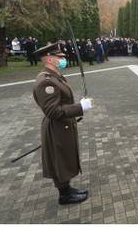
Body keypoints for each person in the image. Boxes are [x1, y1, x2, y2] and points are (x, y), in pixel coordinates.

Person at [32, 43, 94, 205]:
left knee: (65, 157)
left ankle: (67, 189)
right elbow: (52, 111)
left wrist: (78, 106)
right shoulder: (46, 81)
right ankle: (64, 195)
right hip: (57, 128)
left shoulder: (55, 76)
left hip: (64, 127)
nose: (63, 59)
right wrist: (80, 107)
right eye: (60, 57)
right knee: (59, 160)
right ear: (50, 59)